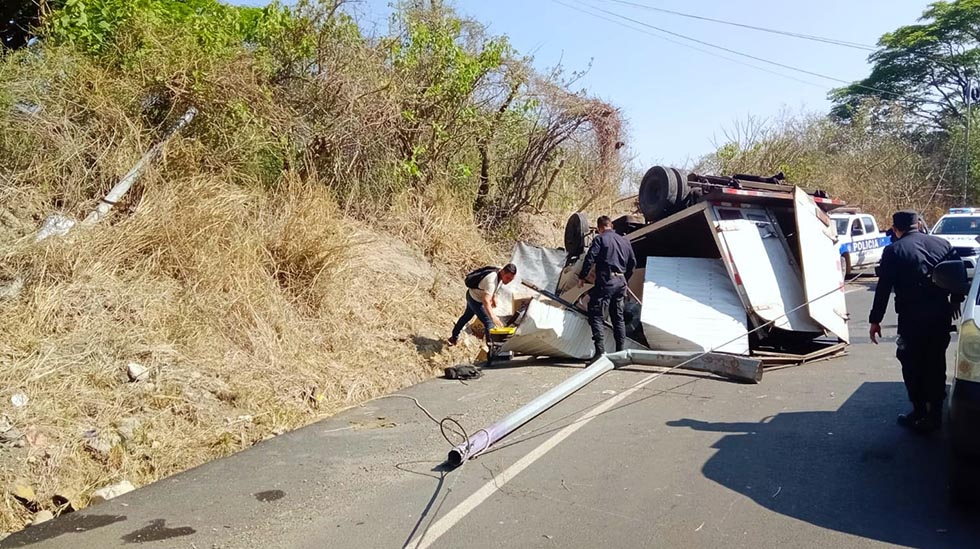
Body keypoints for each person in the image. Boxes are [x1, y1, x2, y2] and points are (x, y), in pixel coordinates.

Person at [869, 210, 959, 434]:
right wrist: (955, 302)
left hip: (912, 320)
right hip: (940, 315)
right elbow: (958, 275)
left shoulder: (894, 251)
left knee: (911, 364)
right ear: (918, 224)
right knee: (936, 362)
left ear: (896, 229)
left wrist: (875, 320)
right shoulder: (943, 244)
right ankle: (936, 412)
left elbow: (883, 289)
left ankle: (919, 411)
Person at [578, 215, 637, 360]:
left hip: (607, 281)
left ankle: (600, 353)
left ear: (599, 228)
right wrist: (624, 278)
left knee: (596, 313)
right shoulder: (625, 241)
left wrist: (582, 276)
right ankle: (620, 354)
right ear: (611, 225)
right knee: (618, 317)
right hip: (621, 281)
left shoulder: (600, 239)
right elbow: (632, 263)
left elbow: (590, 257)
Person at [449, 264, 517, 346]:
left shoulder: (499, 270)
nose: (508, 281)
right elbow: (486, 301)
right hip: (475, 300)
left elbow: (494, 285)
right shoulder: (491, 281)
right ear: (502, 272)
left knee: (466, 317)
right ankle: (491, 350)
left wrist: (493, 296)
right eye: (508, 278)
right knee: (490, 323)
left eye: (511, 279)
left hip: (472, 295)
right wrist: (493, 317)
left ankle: (453, 337)